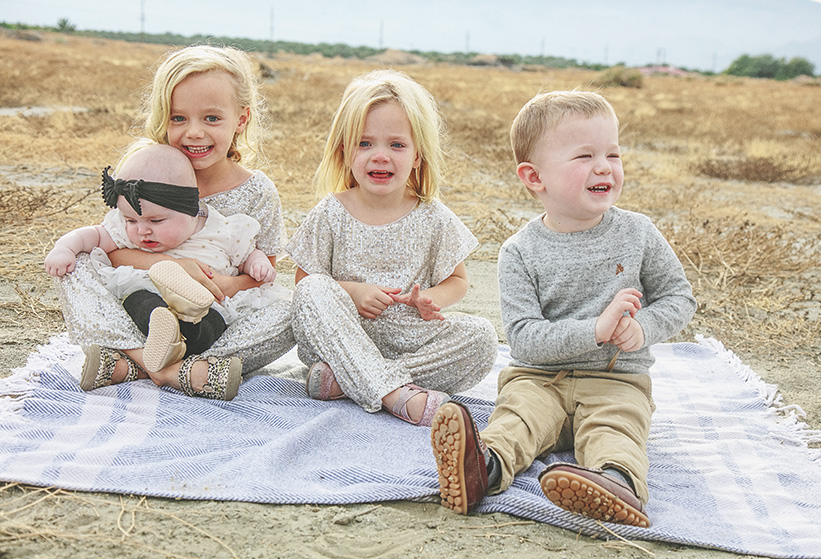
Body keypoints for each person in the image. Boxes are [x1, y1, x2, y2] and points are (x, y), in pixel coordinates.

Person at [430, 91, 697, 527]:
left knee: (618, 428)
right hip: (539, 378)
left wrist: (643, 328)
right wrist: (596, 328)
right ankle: (483, 469)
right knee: (516, 416)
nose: (604, 166)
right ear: (535, 177)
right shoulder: (519, 251)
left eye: (612, 153)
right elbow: (523, 338)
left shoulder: (639, 233)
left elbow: (679, 297)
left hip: (618, 380)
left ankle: (614, 484)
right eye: (584, 156)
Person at [52, 45, 295, 397]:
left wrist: (228, 287)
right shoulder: (150, 170)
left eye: (211, 119)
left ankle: (134, 365)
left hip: (217, 314)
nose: (193, 132)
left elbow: (263, 276)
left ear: (241, 119)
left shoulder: (257, 191)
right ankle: (173, 370)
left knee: (292, 309)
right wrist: (172, 264)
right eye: (178, 118)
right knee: (77, 263)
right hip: (142, 302)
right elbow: (115, 249)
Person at [286, 69, 498, 426]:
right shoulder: (332, 211)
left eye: (396, 145)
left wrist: (432, 300)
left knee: (482, 338)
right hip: (342, 336)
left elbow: (458, 281)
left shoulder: (434, 217)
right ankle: (394, 394)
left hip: (410, 337)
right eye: (365, 143)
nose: (380, 156)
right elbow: (303, 285)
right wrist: (352, 292)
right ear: (345, 151)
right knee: (313, 289)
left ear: (417, 156)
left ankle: (348, 381)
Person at [45, 145, 288, 399]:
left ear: (191, 209)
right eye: (131, 221)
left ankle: (131, 365)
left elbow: (248, 254)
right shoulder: (145, 195)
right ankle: (173, 370)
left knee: (219, 322)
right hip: (148, 302)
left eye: (155, 222)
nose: (142, 231)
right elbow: (94, 235)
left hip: (204, 309)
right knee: (95, 275)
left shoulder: (223, 229)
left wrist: (258, 264)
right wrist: (65, 247)